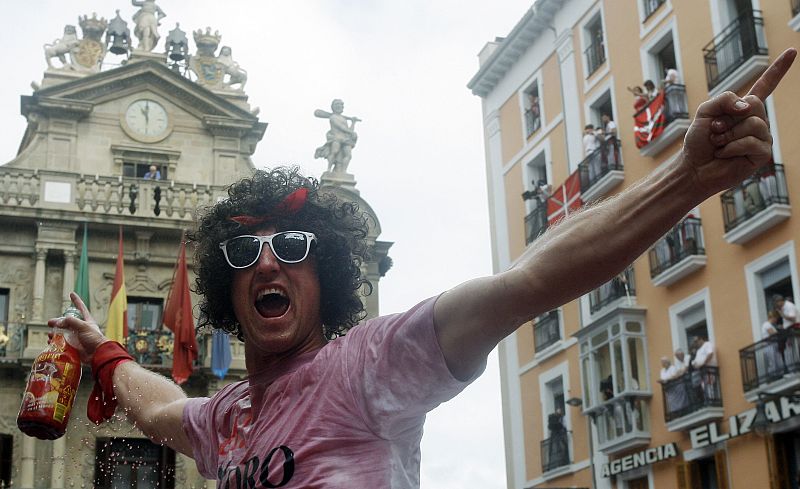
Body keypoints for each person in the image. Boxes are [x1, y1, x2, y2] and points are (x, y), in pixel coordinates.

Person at [50, 48, 796, 487]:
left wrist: (687, 179)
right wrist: (101, 347)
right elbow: (158, 410)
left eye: (295, 246)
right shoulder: (230, 415)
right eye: (245, 252)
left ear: (330, 274)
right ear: (226, 287)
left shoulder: (369, 364)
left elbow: (528, 283)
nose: (269, 259)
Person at [314, 99, 360, 174]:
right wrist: (351, 132)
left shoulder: (344, 119)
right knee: (334, 152)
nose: (339, 106)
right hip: (336, 138)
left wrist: (353, 122)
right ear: (333, 107)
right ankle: (329, 169)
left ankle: (343, 172)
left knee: (348, 155)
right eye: (337, 104)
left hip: (346, 140)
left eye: (341, 105)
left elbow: (349, 131)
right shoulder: (333, 117)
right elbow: (341, 127)